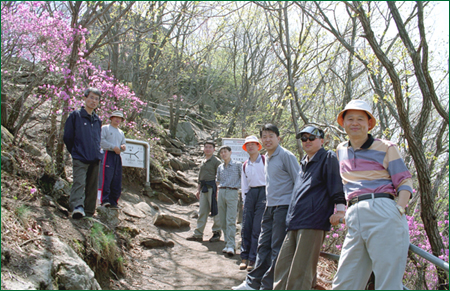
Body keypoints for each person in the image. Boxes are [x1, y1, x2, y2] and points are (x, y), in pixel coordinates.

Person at [332, 100, 413, 290]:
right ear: (343, 123)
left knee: (387, 281)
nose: (355, 123)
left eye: (360, 119)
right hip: (354, 214)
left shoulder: (386, 147)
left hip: (382, 209)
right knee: (344, 281)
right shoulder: (340, 150)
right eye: (350, 118)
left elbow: (405, 181)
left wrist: (399, 209)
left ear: (369, 123)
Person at [273, 125, 345, 290]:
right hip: (294, 221)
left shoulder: (327, 157)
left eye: (311, 138)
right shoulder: (304, 163)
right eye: (303, 138)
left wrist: (340, 210)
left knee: (301, 271)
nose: (307, 141)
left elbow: (336, 184)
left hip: (313, 221)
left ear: (321, 140)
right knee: (282, 267)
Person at [232, 124, 300, 290]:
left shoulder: (286, 155)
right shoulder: (267, 157)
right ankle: (252, 283)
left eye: (271, 135)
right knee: (263, 245)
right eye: (264, 136)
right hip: (269, 207)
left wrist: (294, 209)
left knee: (276, 247)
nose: (267, 139)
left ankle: (268, 285)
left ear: (279, 137)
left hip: (283, 207)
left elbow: (299, 182)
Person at [63, 88, 102, 219]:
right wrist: (75, 151)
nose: (93, 101)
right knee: (79, 182)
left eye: (96, 99)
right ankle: (77, 207)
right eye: (91, 97)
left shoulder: (97, 120)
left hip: (95, 157)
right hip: (80, 156)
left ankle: (90, 211)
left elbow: (97, 138)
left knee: (92, 185)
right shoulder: (76, 115)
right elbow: (68, 137)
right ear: (85, 98)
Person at [239, 136, 266, 271]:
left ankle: (252, 258)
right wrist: (245, 201)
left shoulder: (265, 160)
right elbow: (244, 185)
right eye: (247, 145)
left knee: (257, 227)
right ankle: (243, 257)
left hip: (264, 193)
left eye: (253, 144)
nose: (250, 147)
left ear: (258, 146)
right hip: (250, 194)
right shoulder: (245, 164)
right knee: (246, 226)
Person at [186, 141, 222, 242]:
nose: (208, 149)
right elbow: (200, 177)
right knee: (202, 211)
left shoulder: (216, 161)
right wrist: (198, 190)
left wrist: (218, 191)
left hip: (213, 188)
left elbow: (220, 176)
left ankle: (217, 232)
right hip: (203, 189)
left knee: (215, 211)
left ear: (214, 149)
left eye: (210, 147)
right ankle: (198, 234)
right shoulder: (203, 161)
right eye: (206, 147)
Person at [216, 145, 242, 256]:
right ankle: (227, 243)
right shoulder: (220, 167)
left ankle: (231, 245)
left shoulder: (237, 165)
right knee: (222, 219)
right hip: (221, 191)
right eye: (221, 152)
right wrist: (218, 191)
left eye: (225, 151)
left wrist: (238, 189)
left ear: (230, 152)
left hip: (232, 192)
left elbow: (243, 178)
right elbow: (218, 180)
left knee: (230, 219)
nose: (223, 154)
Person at [98, 111, 126, 209]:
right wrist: (112, 147)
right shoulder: (105, 128)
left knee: (116, 178)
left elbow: (123, 143)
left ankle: (114, 201)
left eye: (120, 118)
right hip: (107, 154)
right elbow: (101, 141)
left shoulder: (121, 132)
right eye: (115, 117)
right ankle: (104, 200)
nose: (117, 120)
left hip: (117, 156)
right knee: (106, 177)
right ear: (111, 118)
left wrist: (123, 147)